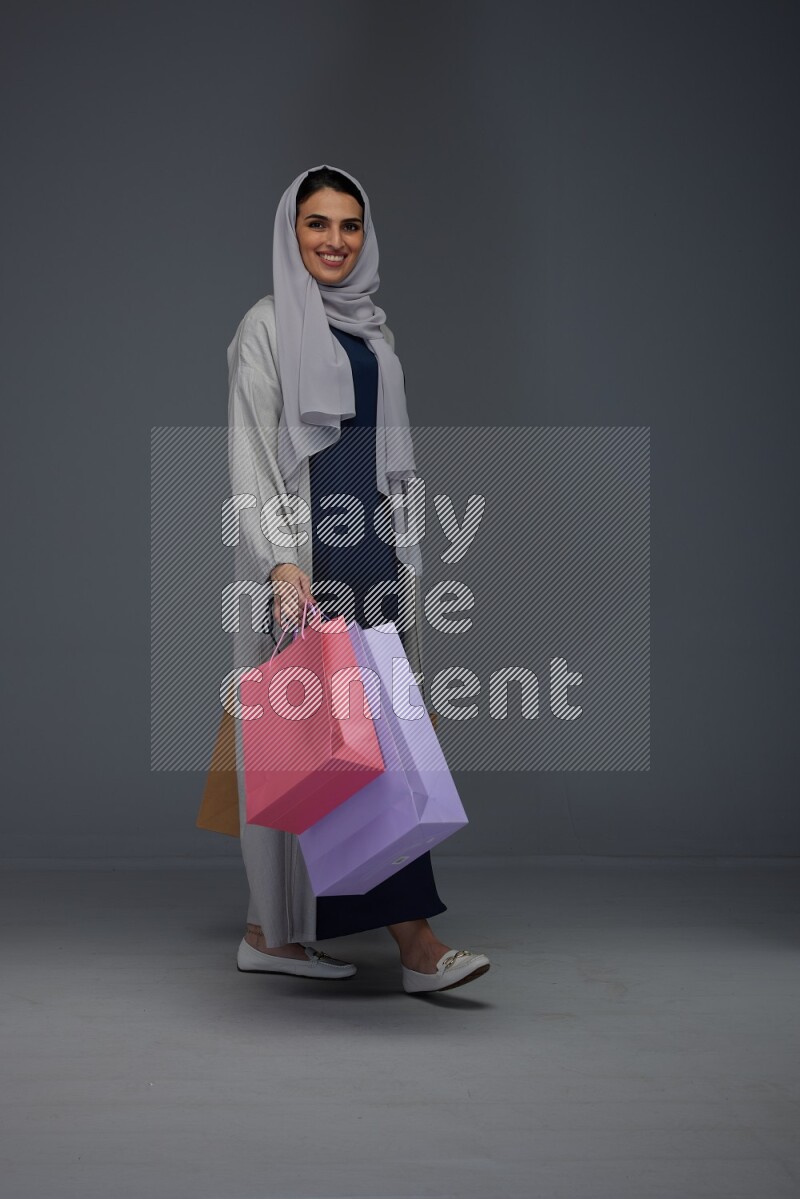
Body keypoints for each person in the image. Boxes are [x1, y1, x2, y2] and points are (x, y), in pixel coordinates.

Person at [227, 164, 490, 994]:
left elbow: (393, 458)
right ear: (290, 231)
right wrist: (280, 562)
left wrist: (410, 557)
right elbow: (250, 454)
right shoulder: (266, 327)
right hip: (310, 561)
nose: (333, 241)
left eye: (348, 225)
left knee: (363, 749)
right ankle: (415, 944)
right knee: (349, 749)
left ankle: (271, 930)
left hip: (373, 553)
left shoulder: (374, 334)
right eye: (316, 224)